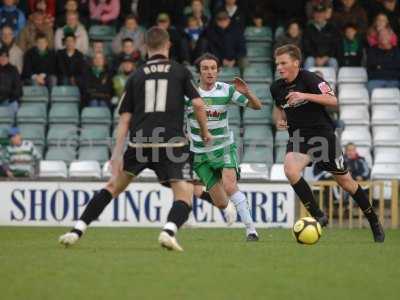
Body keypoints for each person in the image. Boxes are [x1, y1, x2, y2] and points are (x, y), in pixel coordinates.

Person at [59, 26, 212, 251]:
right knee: (185, 194)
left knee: (112, 188)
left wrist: (116, 154)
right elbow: (199, 104)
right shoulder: (179, 71)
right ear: (168, 45)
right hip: (171, 143)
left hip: (139, 143)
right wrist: (205, 132)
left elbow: (124, 119)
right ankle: (168, 231)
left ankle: (76, 230)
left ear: (145, 47)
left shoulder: (136, 75)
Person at [270, 44, 385, 242]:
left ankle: (373, 220)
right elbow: (279, 109)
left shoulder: (310, 78)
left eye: (283, 63)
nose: (279, 67)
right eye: (277, 63)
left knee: (346, 183)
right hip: (299, 137)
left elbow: (333, 101)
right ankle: (318, 215)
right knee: (290, 169)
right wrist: (279, 119)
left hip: (322, 136)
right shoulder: (276, 87)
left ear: (296, 63)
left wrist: (304, 95)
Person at [187, 53, 262, 241]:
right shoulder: (190, 92)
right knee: (221, 203)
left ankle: (251, 230)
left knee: (230, 185)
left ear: (218, 71)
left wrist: (247, 92)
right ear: (199, 72)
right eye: (205, 68)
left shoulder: (226, 90)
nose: (210, 72)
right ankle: (231, 206)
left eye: (213, 68)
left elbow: (257, 107)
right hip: (200, 153)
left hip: (223, 147)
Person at [303, 3, 341, 69]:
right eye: (317, 13)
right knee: (309, 61)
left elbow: (335, 45)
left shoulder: (332, 28)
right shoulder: (309, 28)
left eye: (321, 13)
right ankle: (306, 79)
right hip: (313, 57)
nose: (319, 15)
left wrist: (326, 57)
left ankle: (334, 79)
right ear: (313, 15)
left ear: (325, 14)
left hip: (328, 57)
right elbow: (306, 46)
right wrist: (316, 57)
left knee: (333, 62)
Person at [366, 28, 400, 94]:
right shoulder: (372, 50)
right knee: (372, 92)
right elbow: (371, 65)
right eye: (381, 35)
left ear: (390, 37)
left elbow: (398, 65)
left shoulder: (396, 50)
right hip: (375, 80)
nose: (383, 37)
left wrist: (380, 66)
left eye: (386, 35)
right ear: (378, 38)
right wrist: (390, 65)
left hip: (394, 80)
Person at [0, 47, 21, 117]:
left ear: (8, 58)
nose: (3, 58)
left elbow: (18, 89)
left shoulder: (13, 70)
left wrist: (10, 99)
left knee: (14, 105)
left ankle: (12, 126)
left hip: (9, 101)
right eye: (1, 56)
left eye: (5, 56)